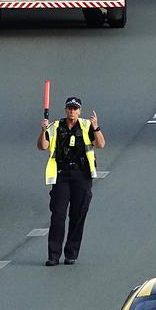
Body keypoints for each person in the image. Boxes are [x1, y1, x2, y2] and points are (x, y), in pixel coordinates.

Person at [36, 96, 105, 266]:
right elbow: (42, 146)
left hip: (82, 175)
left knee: (78, 214)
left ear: (79, 111)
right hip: (62, 175)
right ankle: (53, 255)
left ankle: (71, 253)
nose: (72, 111)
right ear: (65, 109)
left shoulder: (86, 126)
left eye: (75, 108)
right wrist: (43, 130)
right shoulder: (56, 126)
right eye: (69, 108)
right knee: (58, 216)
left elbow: (101, 144)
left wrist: (96, 127)